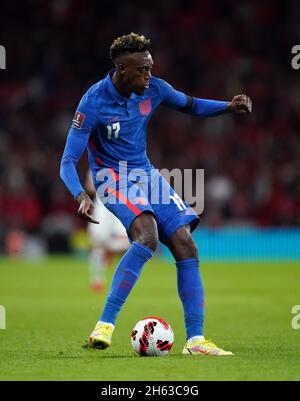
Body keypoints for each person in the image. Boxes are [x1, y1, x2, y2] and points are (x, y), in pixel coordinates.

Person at [60, 33, 252, 356]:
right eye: (142, 70)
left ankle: (195, 341)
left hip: (146, 174)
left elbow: (191, 104)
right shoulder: (92, 101)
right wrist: (80, 194)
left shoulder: (155, 89)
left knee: (184, 242)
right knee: (146, 235)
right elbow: (67, 161)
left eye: (150, 68)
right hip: (111, 178)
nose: (149, 76)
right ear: (122, 70)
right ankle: (104, 325)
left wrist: (228, 107)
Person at [85, 170, 129, 292]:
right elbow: (89, 186)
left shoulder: (123, 164)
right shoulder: (96, 164)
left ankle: (109, 250)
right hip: (102, 207)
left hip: (120, 204)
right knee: (97, 243)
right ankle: (97, 280)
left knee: (128, 242)